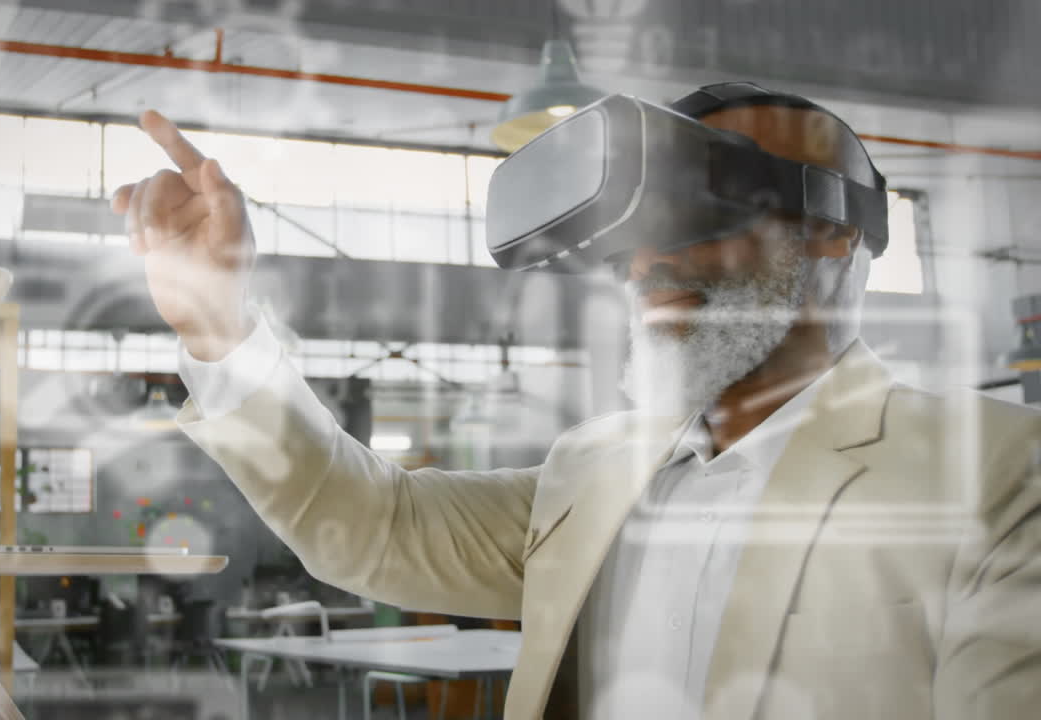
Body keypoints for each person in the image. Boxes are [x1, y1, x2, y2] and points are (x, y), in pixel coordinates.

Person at [111, 84, 1041, 720]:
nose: (645, 263)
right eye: (632, 232)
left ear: (834, 233)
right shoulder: (590, 474)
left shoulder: (994, 479)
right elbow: (373, 521)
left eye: (696, 214)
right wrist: (218, 328)